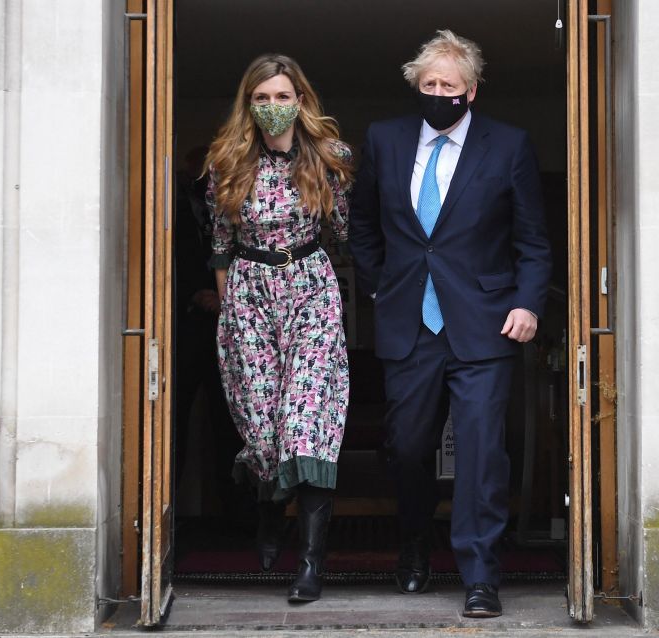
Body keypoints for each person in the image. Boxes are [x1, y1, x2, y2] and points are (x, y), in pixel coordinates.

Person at [349, 30, 552, 618]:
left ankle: (481, 575)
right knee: (408, 448)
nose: (437, 93)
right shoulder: (386, 141)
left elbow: (533, 242)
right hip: (409, 324)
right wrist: (382, 283)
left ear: (472, 91)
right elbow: (362, 224)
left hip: (485, 324)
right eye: (428, 84)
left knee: (483, 451)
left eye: (449, 85)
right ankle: (414, 545)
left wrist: (528, 304)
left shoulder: (508, 146)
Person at [204, 53, 354, 603]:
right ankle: (271, 513)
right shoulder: (228, 161)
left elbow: (344, 236)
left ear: (301, 101)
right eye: (261, 98)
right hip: (249, 294)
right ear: (249, 104)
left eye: (282, 97)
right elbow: (220, 244)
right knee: (266, 432)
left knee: (306, 421)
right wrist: (231, 316)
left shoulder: (330, 159)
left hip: (310, 288)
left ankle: (311, 565)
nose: (272, 107)